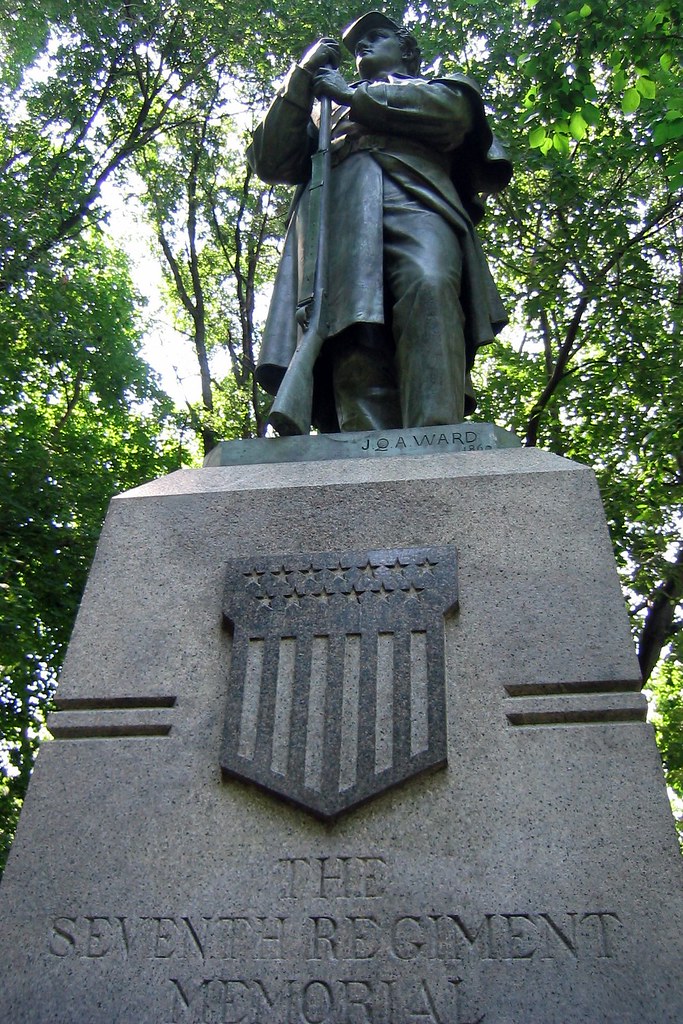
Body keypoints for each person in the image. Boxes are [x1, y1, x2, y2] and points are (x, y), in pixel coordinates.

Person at [247, 11, 512, 434]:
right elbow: (271, 159)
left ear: (406, 49)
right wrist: (301, 76)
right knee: (352, 328)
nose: (362, 48)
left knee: (430, 283)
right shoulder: (324, 107)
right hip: (340, 211)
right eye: (355, 46)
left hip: (419, 196)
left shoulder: (439, 86)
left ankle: (437, 435)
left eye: (375, 36)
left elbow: (454, 117)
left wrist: (357, 100)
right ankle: (366, 447)